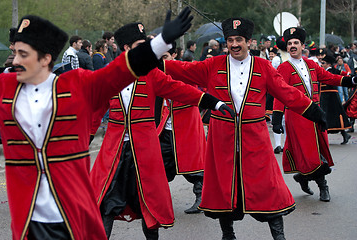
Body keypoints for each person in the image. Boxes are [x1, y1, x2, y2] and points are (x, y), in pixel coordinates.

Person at [0, 9, 194, 239]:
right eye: (16, 53)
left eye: (25, 54)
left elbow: (120, 72)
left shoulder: (75, 84)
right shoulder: (4, 85)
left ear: (46, 59)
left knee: (141, 204)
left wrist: (160, 43)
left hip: (70, 212)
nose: (16, 60)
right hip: (30, 219)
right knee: (107, 202)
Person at [163, 17, 329, 240]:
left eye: (239, 39)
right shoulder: (212, 65)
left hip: (256, 139)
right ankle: (228, 234)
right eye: (230, 40)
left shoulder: (263, 67)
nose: (234, 44)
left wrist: (315, 112)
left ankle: (279, 237)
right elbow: (181, 69)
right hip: (222, 140)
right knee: (224, 189)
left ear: (249, 42)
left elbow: (287, 93)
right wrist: (148, 54)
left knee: (268, 187)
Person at [89, 21, 233, 240]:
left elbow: (179, 89)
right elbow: (95, 110)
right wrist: (82, 141)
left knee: (149, 205)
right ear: (126, 48)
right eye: (140, 45)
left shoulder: (151, 73)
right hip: (114, 153)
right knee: (105, 201)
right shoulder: (109, 74)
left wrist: (214, 103)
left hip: (145, 150)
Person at [273, 27, 356, 203]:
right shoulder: (283, 67)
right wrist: (277, 118)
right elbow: (280, 93)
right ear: (286, 47)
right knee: (311, 153)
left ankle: (302, 177)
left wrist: (351, 81)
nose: (292, 46)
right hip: (297, 116)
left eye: (296, 43)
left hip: (317, 115)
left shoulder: (311, 64)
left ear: (303, 45)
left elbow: (329, 77)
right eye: (289, 44)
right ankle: (323, 186)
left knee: (320, 149)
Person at [157, 43, 206, 214]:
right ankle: (157, 202)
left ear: (173, 56)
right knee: (159, 165)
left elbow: (205, 86)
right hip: (164, 127)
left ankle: (201, 198)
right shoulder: (154, 74)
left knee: (194, 166)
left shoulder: (184, 70)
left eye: (164, 57)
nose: (161, 62)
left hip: (186, 125)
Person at [320, 54, 352, 144]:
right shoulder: (322, 71)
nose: (322, 64)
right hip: (324, 95)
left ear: (329, 64)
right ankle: (325, 136)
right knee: (326, 115)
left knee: (336, 114)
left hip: (332, 95)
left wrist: (351, 76)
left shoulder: (333, 71)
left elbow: (344, 75)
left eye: (323, 63)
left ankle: (344, 134)